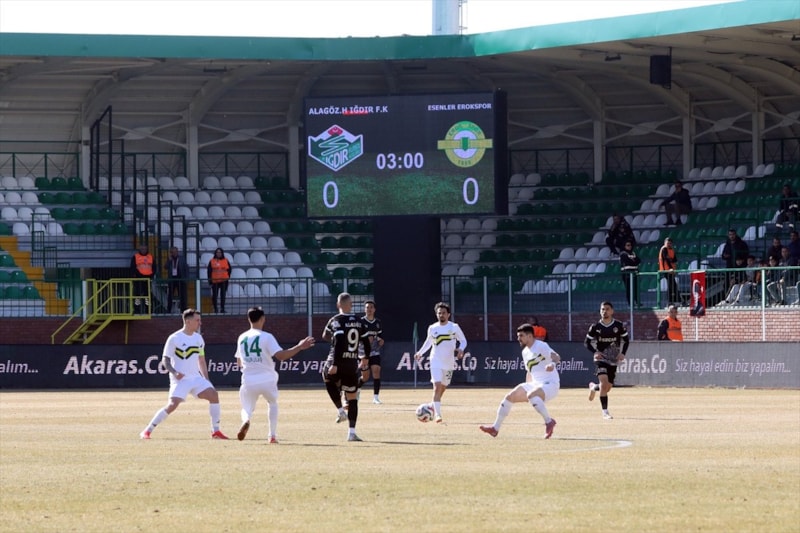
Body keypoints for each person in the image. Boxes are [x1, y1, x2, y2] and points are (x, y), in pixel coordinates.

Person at [140, 309, 228, 440]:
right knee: (172, 405)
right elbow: (165, 360)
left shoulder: (198, 338)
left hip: (196, 378)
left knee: (214, 395)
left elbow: (201, 360)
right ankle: (147, 430)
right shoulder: (174, 338)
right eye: (197, 320)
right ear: (188, 321)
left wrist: (206, 380)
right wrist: (175, 372)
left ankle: (216, 431)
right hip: (180, 379)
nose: (200, 323)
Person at [234, 307, 315, 443]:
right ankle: (272, 436)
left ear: (248, 319)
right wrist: (299, 346)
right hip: (267, 379)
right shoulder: (267, 337)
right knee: (272, 403)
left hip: (248, 379)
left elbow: (239, 361)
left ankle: (246, 420)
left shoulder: (241, 337)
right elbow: (281, 356)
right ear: (262, 319)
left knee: (246, 409)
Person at [479, 323, 560, 439]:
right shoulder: (525, 352)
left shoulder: (541, 345)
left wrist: (552, 364)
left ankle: (549, 422)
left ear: (529, 336)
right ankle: (495, 428)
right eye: (518, 336)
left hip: (550, 384)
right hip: (535, 384)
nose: (518, 339)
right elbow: (529, 371)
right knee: (509, 397)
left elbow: (556, 356)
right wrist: (527, 387)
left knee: (531, 395)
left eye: (521, 336)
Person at [321, 292, 370, 441]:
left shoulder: (336, 320)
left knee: (326, 376)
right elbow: (366, 342)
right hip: (351, 363)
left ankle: (341, 411)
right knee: (352, 397)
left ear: (338, 305)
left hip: (337, 360)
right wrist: (365, 358)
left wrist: (335, 363)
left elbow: (330, 337)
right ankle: (352, 433)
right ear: (351, 305)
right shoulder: (359, 321)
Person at [414, 302, 467, 424]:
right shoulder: (433, 328)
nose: (441, 315)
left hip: (449, 363)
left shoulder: (454, 327)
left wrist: (461, 349)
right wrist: (420, 352)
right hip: (435, 361)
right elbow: (428, 342)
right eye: (439, 313)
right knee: (437, 386)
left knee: (443, 388)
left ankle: (432, 406)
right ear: (436, 314)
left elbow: (463, 341)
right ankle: (438, 414)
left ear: (448, 314)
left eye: (443, 313)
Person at [585, 301, 629, 420]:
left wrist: (623, 353)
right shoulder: (595, 327)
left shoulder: (619, 325)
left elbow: (626, 340)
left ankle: (594, 387)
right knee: (604, 384)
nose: (605, 311)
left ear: (612, 311)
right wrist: (595, 352)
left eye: (607, 309)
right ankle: (605, 412)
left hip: (613, 359)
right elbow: (587, 342)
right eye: (602, 309)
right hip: (601, 359)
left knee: (607, 387)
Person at [361, 300, 385, 405]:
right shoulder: (361, 322)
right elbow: (355, 337)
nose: (369, 309)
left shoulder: (377, 322)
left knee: (376, 371)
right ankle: (357, 390)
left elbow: (380, 336)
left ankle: (376, 397)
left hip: (374, 351)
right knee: (365, 376)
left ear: (374, 309)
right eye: (367, 307)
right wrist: (365, 340)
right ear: (364, 309)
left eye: (371, 307)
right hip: (363, 353)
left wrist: (381, 341)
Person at [130, 243, 154, 314]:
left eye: (145, 249)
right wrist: (138, 275)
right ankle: (137, 310)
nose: (144, 250)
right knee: (137, 296)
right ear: (140, 249)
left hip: (148, 279)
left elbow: (154, 267)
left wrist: (151, 275)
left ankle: (148, 310)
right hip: (138, 279)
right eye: (142, 249)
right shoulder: (135, 257)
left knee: (147, 296)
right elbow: (133, 268)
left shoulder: (150, 257)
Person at [207, 247, 231, 314]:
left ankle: (222, 309)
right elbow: (209, 271)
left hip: (224, 281)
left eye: (220, 252)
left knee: (223, 295)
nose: (219, 253)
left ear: (222, 253)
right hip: (215, 281)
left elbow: (229, 269)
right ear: (215, 253)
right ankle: (215, 309)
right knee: (215, 296)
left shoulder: (226, 260)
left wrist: (227, 277)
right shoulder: (212, 261)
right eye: (217, 252)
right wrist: (210, 281)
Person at [165, 246, 188, 313]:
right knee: (170, 295)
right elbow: (165, 267)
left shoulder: (182, 259)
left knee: (182, 295)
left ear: (177, 252)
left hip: (180, 279)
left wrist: (185, 278)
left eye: (175, 252)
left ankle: (183, 309)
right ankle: (169, 309)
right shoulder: (170, 259)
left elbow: (186, 268)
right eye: (173, 252)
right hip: (172, 279)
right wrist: (169, 261)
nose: (174, 253)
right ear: (171, 253)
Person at [658, 237, 680, 306]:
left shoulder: (671, 250)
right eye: (668, 243)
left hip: (671, 271)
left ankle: (675, 301)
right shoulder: (664, 249)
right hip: (666, 270)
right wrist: (670, 267)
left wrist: (671, 262)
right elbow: (667, 259)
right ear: (665, 243)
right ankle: (672, 301)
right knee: (672, 286)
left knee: (673, 285)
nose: (669, 244)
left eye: (670, 243)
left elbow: (675, 259)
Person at [619, 240, 641, 306]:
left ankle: (637, 302)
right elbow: (629, 262)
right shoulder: (623, 254)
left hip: (634, 273)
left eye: (630, 245)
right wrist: (634, 261)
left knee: (635, 288)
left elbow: (638, 261)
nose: (630, 247)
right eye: (628, 245)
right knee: (629, 289)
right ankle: (631, 303)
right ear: (624, 246)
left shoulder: (633, 253)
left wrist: (634, 261)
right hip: (627, 274)